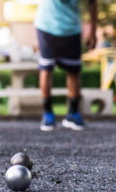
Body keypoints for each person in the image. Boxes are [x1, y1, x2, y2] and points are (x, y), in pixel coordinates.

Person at [35, 0, 97, 131]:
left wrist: (93, 31)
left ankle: (73, 114)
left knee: (74, 71)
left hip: (71, 29)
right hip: (47, 26)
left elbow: (92, 2)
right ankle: (47, 114)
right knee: (46, 69)